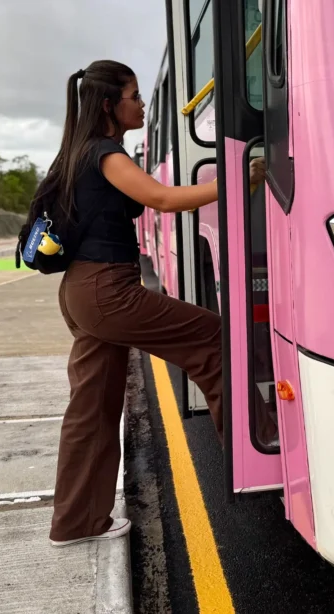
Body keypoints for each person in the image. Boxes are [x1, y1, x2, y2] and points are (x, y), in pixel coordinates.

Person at [37, 60, 265, 547]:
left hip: (82, 291)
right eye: (135, 96)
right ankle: (257, 464)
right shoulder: (105, 153)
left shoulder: (76, 153)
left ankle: (77, 522)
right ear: (109, 105)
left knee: (92, 408)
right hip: (108, 291)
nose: (141, 105)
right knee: (218, 339)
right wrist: (238, 182)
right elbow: (160, 199)